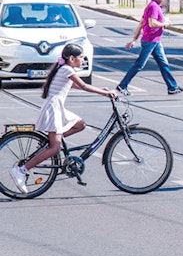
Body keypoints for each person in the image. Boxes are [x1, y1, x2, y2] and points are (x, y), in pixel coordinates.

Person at [8, 43, 118, 194]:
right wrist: (105, 93)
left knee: (80, 125)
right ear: (72, 58)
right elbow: (84, 86)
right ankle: (22, 170)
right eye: (80, 57)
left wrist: (101, 89)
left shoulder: (64, 69)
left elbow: (74, 85)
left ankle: (50, 140)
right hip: (54, 109)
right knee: (55, 149)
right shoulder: (67, 69)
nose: (83, 59)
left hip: (57, 107)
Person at [117, 0, 183, 95]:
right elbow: (152, 23)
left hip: (155, 41)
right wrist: (165, 23)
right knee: (139, 64)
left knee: (163, 64)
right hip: (150, 41)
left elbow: (141, 23)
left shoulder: (155, 6)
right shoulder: (153, 7)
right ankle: (122, 85)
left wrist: (134, 39)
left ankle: (172, 87)